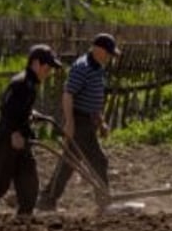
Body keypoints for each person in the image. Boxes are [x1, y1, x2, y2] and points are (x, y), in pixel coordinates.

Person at [0, 44, 63, 217]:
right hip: (7, 141)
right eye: (47, 67)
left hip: (20, 139)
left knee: (29, 183)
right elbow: (7, 109)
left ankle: (24, 219)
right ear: (36, 63)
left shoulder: (29, 84)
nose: (49, 71)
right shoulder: (22, 84)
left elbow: (19, 108)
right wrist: (15, 132)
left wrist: (33, 115)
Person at [36, 32, 119, 211]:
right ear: (97, 49)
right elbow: (68, 95)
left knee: (69, 162)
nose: (110, 57)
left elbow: (93, 98)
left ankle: (48, 199)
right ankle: (104, 201)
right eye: (109, 52)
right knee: (97, 161)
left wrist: (100, 121)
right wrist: (70, 123)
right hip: (79, 121)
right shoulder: (82, 67)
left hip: (88, 121)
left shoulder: (97, 67)